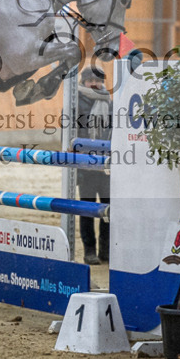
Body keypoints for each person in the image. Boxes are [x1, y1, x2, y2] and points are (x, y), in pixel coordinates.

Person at [76, 67, 112, 265]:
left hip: (107, 165)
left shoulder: (109, 102)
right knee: (87, 209)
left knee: (108, 210)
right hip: (86, 165)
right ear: (83, 82)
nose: (94, 83)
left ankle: (105, 250)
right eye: (90, 80)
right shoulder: (75, 103)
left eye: (97, 80)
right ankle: (89, 250)